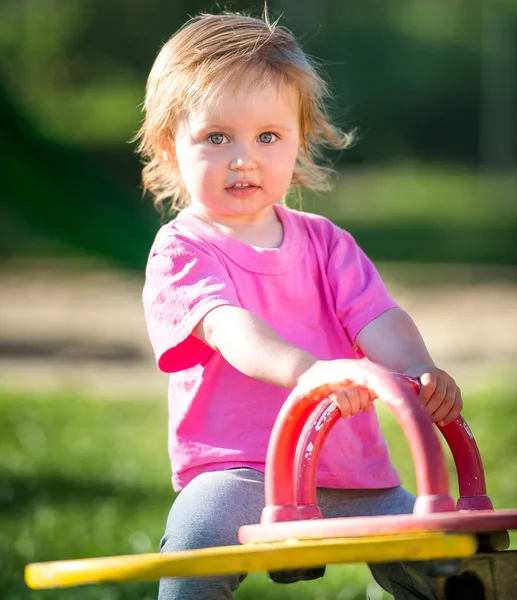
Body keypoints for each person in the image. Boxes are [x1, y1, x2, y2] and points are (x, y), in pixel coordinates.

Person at [137, 10, 462, 600]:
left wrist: (418, 370)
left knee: (439, 557)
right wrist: (311, 374)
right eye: (217, 137)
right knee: (195, 541)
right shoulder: (182, 248)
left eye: (267, 136)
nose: (244, 158)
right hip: (240, 471)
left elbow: (378, 319)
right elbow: (230, 329)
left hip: (352, 472)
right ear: (169, 144)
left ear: (297, 139)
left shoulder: (327, 241)